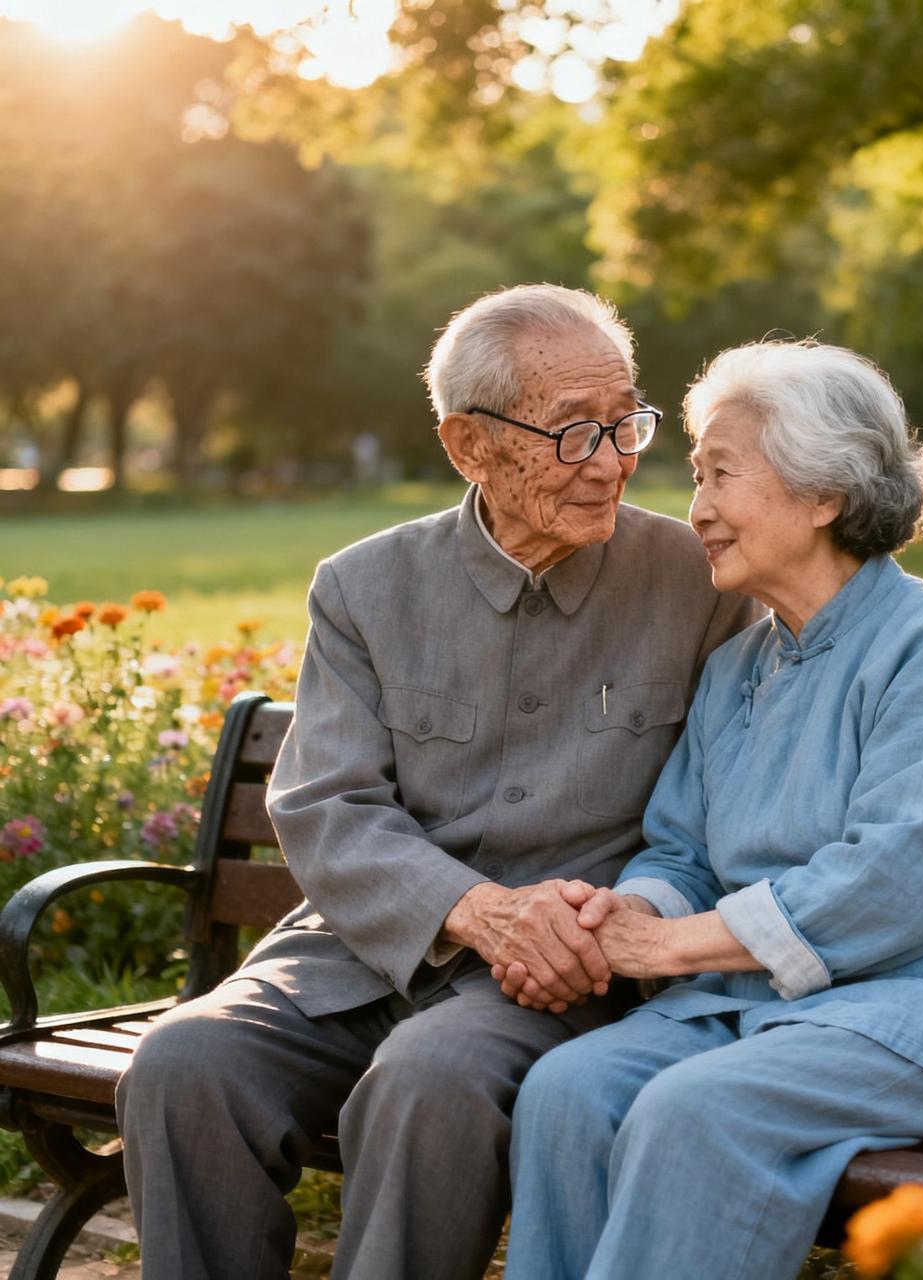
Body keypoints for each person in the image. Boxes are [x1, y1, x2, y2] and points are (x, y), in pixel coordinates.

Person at [115, 284, 758, 1280]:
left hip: (560, 973)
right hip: (357, 957)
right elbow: (328, 804)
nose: (614, 460)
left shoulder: (697, 580)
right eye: (571, 432)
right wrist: (475, 909)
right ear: (467, 444)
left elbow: (721, 807)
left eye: (624, 421)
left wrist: (599, 925)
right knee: (184, 1062)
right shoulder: (365, 585)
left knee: (429, 1080)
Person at [502, 340, 923, 1280]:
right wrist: (636, 912)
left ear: (824, 494)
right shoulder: (740, 664)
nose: (694, 509)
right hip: (777, 1007)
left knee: (693, 1109)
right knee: (568, 1089)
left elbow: (907, 880)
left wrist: (668, 950)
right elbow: (682, 848)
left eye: (722, 475)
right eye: (695, 476)